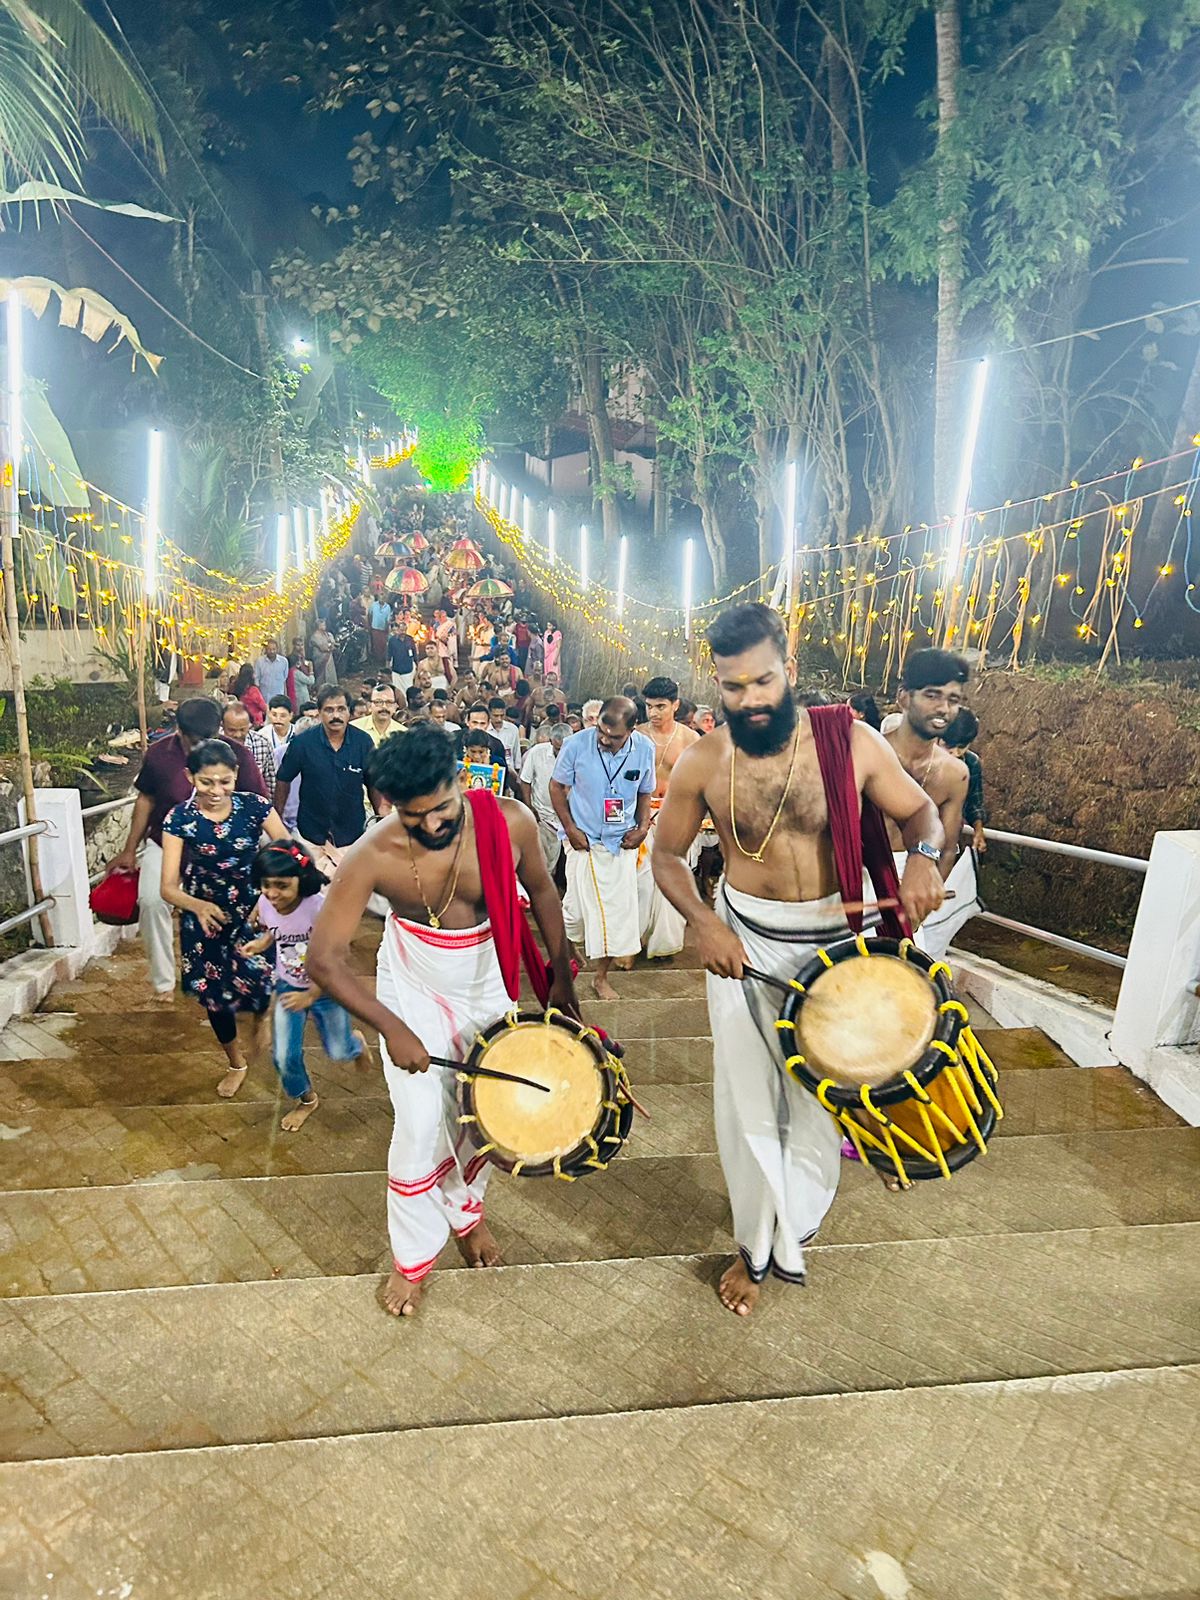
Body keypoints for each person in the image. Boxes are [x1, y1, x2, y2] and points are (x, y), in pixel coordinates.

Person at [650, 604, 945, 1317]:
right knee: (748, 1108)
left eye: (762, 680)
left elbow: (920, 816)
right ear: (715, 684)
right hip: (744, 944)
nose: (749, 699)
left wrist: (923, 861)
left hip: (839, 946)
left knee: (818, 1108)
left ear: (790, 664)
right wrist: (700, 923)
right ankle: (755, 1250)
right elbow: (665, 854)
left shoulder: (851, 743)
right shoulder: (705, 760)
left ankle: (795, 1227)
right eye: (732, 686)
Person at [306, 723, 579, 1317]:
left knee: (480, 1117)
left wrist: (559, 975)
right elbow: (323, 959)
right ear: (388, 806)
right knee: (420, 1121)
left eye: (442, 809)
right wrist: (390, 1025)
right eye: (414, 817)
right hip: (411, 987)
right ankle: (412, 1257)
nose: (431, 825)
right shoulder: (373, 853)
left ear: (462, 780)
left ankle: (465, 1216)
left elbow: (543, 890)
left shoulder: (510, 822)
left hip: (488, 981)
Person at [109, 698, 267, 1000]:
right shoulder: (158, 755)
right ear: (179, 729)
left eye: (208, 739)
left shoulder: (238, 756)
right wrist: (130, 849)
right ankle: (164, 983)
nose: (201, 748)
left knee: (232, 912)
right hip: (166, 842)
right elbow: (146, 801)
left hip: (223, 849)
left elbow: (258, 806)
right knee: (153, 901)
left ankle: (232, 974)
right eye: (195, 741)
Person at [159, 739, 289, 1097]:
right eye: (206, 782)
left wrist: (267, 898)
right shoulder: (179, 818)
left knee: (261, 973)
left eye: (225, 782)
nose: (216, 791)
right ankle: (236, 1063)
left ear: (236, 777)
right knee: (214, 996)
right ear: (190, 777)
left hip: (253, 906)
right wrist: (197, 906)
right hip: (205, 915)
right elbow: (168, 887)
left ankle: (263, 1013)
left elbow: (286, 852)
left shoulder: (256, 808)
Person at [238, 842, 367, 1132]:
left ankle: (354, 1044)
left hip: (327, 991)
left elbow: (336, 958)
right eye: (266, 885)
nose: (272, 894)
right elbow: (276, 931)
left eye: (282, 886)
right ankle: (306, 1099)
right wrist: (261, 943)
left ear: (302, 880)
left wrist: (311, 995)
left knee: (338, 1051)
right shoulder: (265, 903)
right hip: (289, 986)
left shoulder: (319, 909)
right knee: (284, 1056)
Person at [550, 696, 654, 1001]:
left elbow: (645, 790)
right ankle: (569, 951)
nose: (605, 740)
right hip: (583, 841)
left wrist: (643, 827)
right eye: (601, 733)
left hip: (621, 842)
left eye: (615, 736)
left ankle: (600, 977)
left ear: (632, 729)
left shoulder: (645, 749)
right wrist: (570, 828)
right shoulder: (576, 745)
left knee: (615, 913)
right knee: (576, 914)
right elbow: (556, 787)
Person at [882, 649, 970, 963]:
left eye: (953, 699)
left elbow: (946, 849)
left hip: (909, 899)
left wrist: (920, 908)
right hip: (852, 884)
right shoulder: (865, 753)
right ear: (904, 697)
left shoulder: (955, 774)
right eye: (932, 695)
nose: (943, 708)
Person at [273, 684, 377, 869]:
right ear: (319, 712)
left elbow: (374, 783)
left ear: (348, 712)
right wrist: (279, 817)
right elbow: (284, 778)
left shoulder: (363, 742)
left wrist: (380, 818)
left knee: (350, 890)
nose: (335, 715)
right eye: (329, 710)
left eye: (341, 709)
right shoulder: (303, 743)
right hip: (311, 835)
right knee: (312, 888)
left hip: (352, 834)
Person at [636, 676, 701, 961]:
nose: (654, 713)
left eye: (660, 706)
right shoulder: (635, 734)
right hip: (639, 816)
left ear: (675, 705)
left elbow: (700, 784)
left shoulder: (691, 739)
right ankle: (633, 941)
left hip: (675, 816)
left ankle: (664, 945)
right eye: (649, 706)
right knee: (640, 880)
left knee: (672, 879)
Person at [519, 722, 568, 873]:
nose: (561, 753)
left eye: (564, 749)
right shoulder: (537, 752)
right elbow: (525, 781)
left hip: (567, 818)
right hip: (542, 815)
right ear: (551, 741)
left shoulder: (578, 754)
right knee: (541, 862)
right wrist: (529, 807)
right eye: (557, 749)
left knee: (563, 863)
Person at [222, 703, 277, 789]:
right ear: (223, 725)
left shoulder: (262, 743)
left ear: (250, 725)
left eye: (242, 730)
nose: (238, 734)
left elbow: (271, 782)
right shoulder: (214, 743)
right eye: (231, 730)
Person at [266, 695, 300, 830]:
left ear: (291, 715)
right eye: (274, 715)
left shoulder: (299, 734)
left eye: (282, 716)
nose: (277, 720)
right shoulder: (263, 736)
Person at [352, 680, 400, 747]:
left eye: (389, 702)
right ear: (369, 706)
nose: (384, 707)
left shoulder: (403, 733)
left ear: (395, 707)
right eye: (378, 702)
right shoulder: (353, 729)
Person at [463, 702, 509, 767]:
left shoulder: (497, 745)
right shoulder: (454, 739)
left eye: (482, 723)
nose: (478, 727)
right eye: (474, 722)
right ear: (467, 721)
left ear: (488, 723)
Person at [488, 696, 522, 768]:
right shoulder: (485, 730)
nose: (499, 719)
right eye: (496, 716)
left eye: (502, 715)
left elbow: (517, 754)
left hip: (509, 770)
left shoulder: (513, 729)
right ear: (489, 713)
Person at [254, 639, 290, 704]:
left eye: (274, 649)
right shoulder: (259, 662)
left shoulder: (284, 661)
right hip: (264, 698)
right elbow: (256, 679)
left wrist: (285, 696)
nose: (272, 651)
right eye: (269, 649)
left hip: (279, 698)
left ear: (277, 649)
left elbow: (284, 678)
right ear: (266, 649)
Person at [232, 664, 268, 728]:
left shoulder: (237, 687)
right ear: (251, 675)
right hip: (256, 722)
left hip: (243, 718)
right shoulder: (253, 690)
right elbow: (262, 706)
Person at [388, 619, 418, 695]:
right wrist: (388, 668)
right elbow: (388, 655)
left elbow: (414, 654)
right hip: (396, 670)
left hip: (408, 670)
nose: (403, 632)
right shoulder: (392, 640)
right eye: (401, 630)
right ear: (397, 630)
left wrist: (417, 666)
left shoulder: (410, 639)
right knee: (397, 691)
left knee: (408, 690)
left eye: (405, 630)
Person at [310, 620, 337, 689]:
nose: (324, 626)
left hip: (329, 657)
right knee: (321, 675)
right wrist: (329, 647)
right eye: (322, 625)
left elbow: (333, 645)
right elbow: (323, 648)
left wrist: (330, 646)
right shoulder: (315, 636)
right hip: (320, 658)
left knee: (330, 673)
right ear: (318, 626)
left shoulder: (327, 634)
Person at [368, 593, 392, 666]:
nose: (382, 599)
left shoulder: (387, 607)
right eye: (380, 597)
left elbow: (388, 619)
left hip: (383, 629)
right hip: (375, 628)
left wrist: (386, 627)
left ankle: (382, 659)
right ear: (378, 598)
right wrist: (370, 624)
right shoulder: (373, 605)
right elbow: (369, 614)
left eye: (383, 598)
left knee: (383, 645)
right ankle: (377, 660)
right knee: (376, 644)